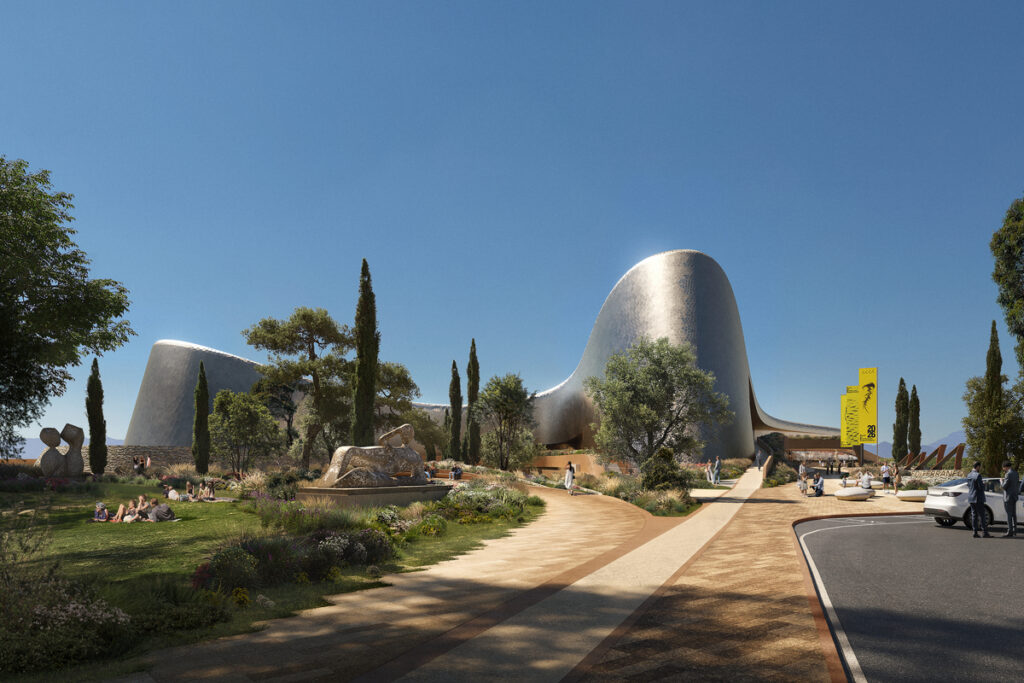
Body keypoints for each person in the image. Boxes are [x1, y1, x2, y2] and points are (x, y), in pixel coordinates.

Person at [967, 461, 990, 538]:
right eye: (979, 467)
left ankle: (975, 532)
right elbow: (981, 487)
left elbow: (969, 485)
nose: (980, 468)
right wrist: (984, 484)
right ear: (977, 466)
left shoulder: (969, 475)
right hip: (978, 497)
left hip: (971, 497)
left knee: (974, 515)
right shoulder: (978, 475)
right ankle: (984, 532)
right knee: (982, 515)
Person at [1001, 460, 1019, 538]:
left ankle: (1009, 531)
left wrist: (1001, 481)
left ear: (1005, 467)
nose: (1003, 469)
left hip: (1008, 497)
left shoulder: (1008, 474)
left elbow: (1004, 487)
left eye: (1003, 468)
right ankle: (1015, 530)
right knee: (1014, 514)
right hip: (1014, 496)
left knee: (1009, 514)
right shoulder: (1016, 473)